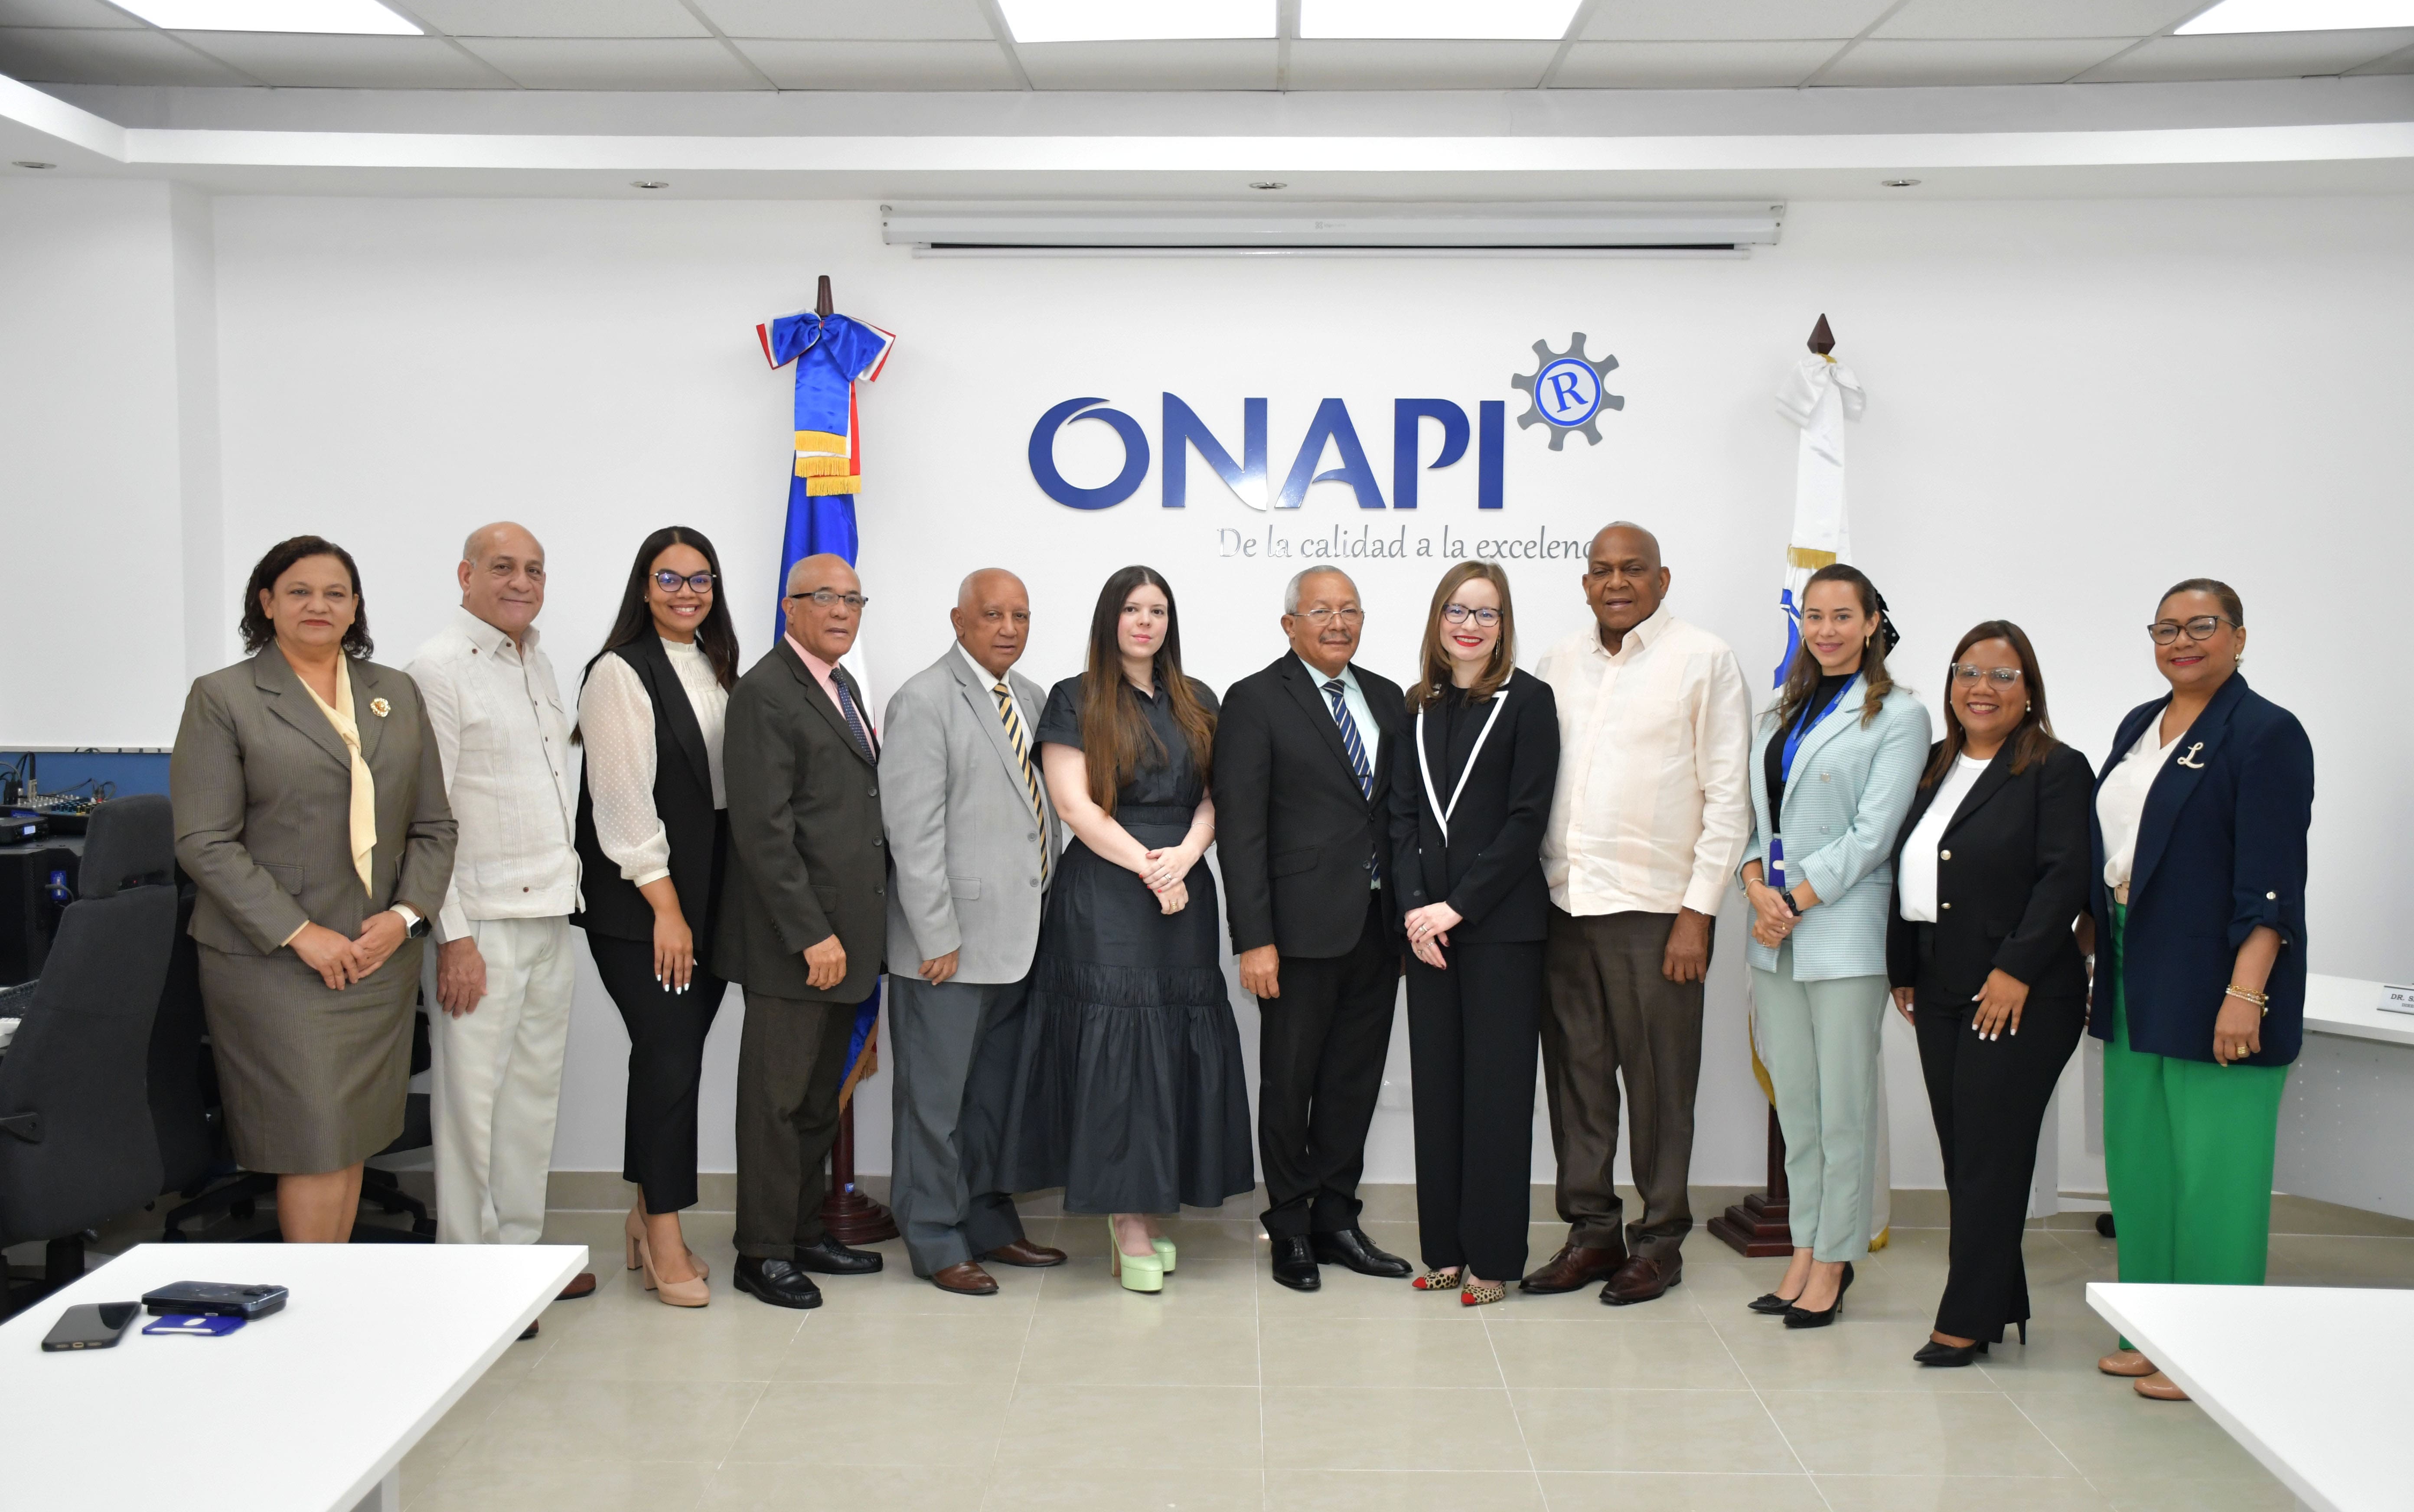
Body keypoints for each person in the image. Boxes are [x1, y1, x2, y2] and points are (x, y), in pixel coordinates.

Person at [170, 535, 457, 1243]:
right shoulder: (224, 697)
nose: (318, 605)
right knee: (313, 1141)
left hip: (377, 956)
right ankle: (314, 1295)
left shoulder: (394, 692)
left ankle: (332, 1286)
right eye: (299, 592)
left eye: (336, 593)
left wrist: (406, 916)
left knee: (350, 1139)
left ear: (356, 607)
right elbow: (204, 841)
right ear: (266, 604)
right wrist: (302, 935)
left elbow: (433, 826)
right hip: (274, 962)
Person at [2090, 579, 2313, 1402]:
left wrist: (2245, 993)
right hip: (2131, 961)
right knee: (2142, 1165)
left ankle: (2211, 1353)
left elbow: (2272, 882)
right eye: (2165, 629)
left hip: (2217, 973)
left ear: (2239, 637)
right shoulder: (2137, 725)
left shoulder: (2266, 733)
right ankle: (2152, 1334)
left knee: (2216, 1175)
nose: (2181, 642)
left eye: (2201, 626)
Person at [1004, 565, 1253, 1294]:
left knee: (1169, 1045)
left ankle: (1151, 1202)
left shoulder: (1198, 699)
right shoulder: (1074, 697)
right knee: (1121, 1052)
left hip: (1183, 886)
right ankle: (1127, 1220)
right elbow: (1073, 806)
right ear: (1110, 618)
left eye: (1159, 610)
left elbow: (1218, 798)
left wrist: (1185, 858)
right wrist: (1151, 868)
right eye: (1133, 609)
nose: (1146, 622)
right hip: (1107, 897)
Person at [1526, 523, 1751, 1306]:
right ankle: (1592, 1233)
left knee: (1660, 1087)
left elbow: (1729, 798)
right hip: (1564, 907)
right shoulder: (1557, 662)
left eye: (1633, 569)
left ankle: (1659, 1242)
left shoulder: (1705, 660)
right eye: (1602, 570)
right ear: (1586, 582)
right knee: (1578, 1083)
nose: (1616, 583)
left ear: (1662, 579)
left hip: (1658, 916)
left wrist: (1698, 914)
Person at [1885, 621, 2092, 1366]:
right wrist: (1904, 966)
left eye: (2002, 675)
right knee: (1966, 1151)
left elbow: (2065, 876)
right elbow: (1913, 868)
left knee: (1988, 1156)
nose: (1982, 687)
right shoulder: (1935, 764)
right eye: (1968, 672)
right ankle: (2002, 1300)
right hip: (1939, 980)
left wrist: (2016, 970)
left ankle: (1965, 1319)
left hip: (2020, 992)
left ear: (2029, 690)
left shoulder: (2056, 768)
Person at [407, 522, 594, 1318]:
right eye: (504, 567)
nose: (522, 582)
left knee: (529, 1102)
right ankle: (469, 1277)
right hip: (478, 925)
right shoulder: (437, 668)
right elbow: (429, 814)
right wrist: (452, 937)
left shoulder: (537, 662)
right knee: (470, 1110)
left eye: (535, 570)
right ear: (466, 575)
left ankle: (518, 1258)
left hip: (551, 911)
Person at [1738, 563, 1928, 1328]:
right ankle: (1804, 1248)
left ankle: (1836, 1259)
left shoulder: (1900, 716)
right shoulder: (1779, 712)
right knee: (1799, 1111)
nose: (1826, 630)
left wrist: (1792, 901)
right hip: (1774, 936)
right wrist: (1755, 884)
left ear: (1874, 622)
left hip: (1842, 936)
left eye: (1843, 616)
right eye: (1813, 616)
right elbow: (1759, 821)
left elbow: (1874, 836)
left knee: (1844, 1110)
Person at [1213, 567, 1413, 1292]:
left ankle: (1336, 1219)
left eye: (1349, 610)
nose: (1338, 622)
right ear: (1289, 624)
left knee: (1352, 1082)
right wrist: (1253, 938)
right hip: (1294, 934)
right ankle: (1290, 1226)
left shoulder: (1388, 698)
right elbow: (1240, 829)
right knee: (1290, 1081)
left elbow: (1396, 816)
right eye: (1321, 610)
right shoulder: (1255, 699)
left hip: (1376, 928)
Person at [879, 568, 1069, 1295]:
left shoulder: (1032, 698)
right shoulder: (925, 699)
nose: (1009, 628)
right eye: (993, 615)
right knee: (935, 1106)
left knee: (992, 1101)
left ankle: (987, 1224)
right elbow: (913, 833)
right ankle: (934, 1237)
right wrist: (936, 936)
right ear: (959, 621)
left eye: (1021, 615)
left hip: (1019, 944)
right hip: (948, 949)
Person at [716, 552, 891, 1310]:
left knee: (821, 1102)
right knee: (775, 1104)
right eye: (825, 597)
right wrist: (810, 933)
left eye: (853, 599)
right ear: (789, 607)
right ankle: (760, 1253)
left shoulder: (841, 685)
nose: (842, 611)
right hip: (797, 946)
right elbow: (764, 831)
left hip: (849, 939)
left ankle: (800, 1231)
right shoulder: (765, 692)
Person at [573, 526, 739, 1308]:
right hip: (645, 906)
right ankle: (666, 1235)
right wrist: (667, 909)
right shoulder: (617, 671)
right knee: (670, 1062)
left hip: (710, 898)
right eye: (669, 579)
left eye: (700, 579)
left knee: (673, 1062)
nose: (686, 593)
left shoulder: (718, 666)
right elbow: (623, 804)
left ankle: (646, 1216)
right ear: (644, 587)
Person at [1390, 563, 1559, 1308]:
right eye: (1458, 611)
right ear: (1438, 619)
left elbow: (1527, 820)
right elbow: (1399, 820)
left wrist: (1455, 908)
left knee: (1496, 1095)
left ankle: (1492, 1258)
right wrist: (1415, 911)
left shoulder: (1530, 701)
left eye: (1487, 614)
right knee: (1438, 1091)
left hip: (1499, 931)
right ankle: (1446, 1251)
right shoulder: (1416, 707)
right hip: (1426, 933)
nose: (1470, 625)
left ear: (1504, 625)